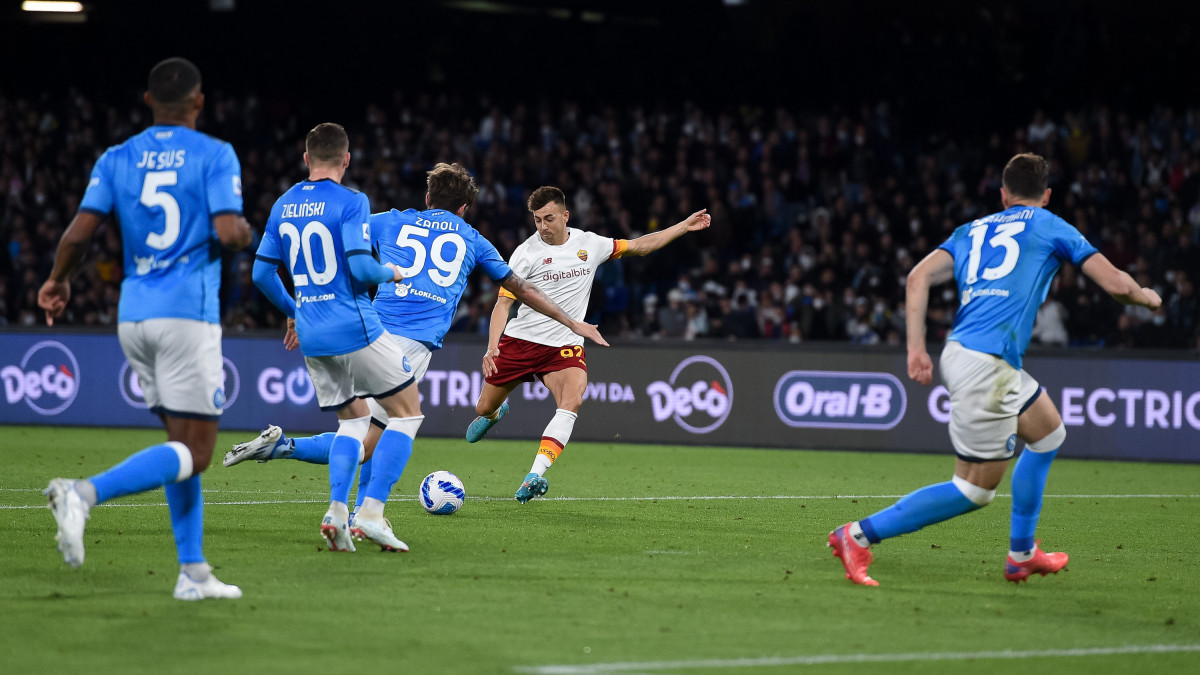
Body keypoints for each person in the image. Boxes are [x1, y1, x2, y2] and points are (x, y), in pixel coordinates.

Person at [828, 153, 1162, 586]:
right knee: (973, 490)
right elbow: (1119, 286)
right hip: (987, 367)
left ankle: (1021, 554)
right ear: (1046, 195)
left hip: (974, 355)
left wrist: (916, 349)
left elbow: (916, 278)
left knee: (1048, 434)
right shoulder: (1049, 223)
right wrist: (1148, 298)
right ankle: (857, 535)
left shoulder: (971, 230)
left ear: (1003, 195)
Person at [225, 165, 608, 529]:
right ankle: (305, 467)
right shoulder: (473, 239)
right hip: (406, 347)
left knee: (368, 432)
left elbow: (339, 242)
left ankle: (359, 512)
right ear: (463, 208)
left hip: (366, 333)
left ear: (427, 197)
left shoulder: (391, 219)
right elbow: (522, 290)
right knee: (372, 438)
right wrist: (574, 323)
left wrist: (302, 303)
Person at [38, 58, 253, 600]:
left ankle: (193, 573)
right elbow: (229, 233)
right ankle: (82, 493)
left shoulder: (117, 157)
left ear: (147, 101)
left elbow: (78, 233)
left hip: (133, 315)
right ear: (199, 102)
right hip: (186, 315)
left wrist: (59, 280)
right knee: (198, 452)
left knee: (179, 447)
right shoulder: (214, 154)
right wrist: (244, 231)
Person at [465, 186, 710, 502]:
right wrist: (492, 346)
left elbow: (639, 246)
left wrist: (682, 226)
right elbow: (503, 305)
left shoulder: (589, 244)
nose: (543, 227)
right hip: (522, 342)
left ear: (565, 216)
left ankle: (533, 476)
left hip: (564, 347)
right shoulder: (526, 253)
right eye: (537, 220)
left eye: (549, 219)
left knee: (573, 399)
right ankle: (497, 413)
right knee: (483, 407)